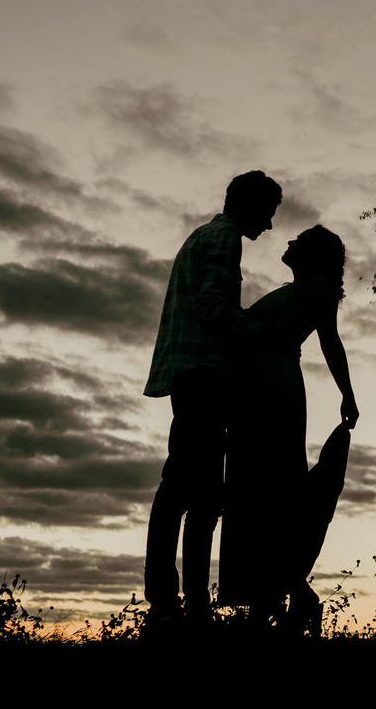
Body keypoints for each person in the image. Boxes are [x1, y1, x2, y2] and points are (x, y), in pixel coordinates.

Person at [143, 170, 282, 629]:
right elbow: (213, 306)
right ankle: (169, 603)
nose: (268, 224)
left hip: (193, 373)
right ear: (246, 202)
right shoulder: (224, 239)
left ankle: (191, 604)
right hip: (204, 375)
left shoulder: (200, 237)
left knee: (201, 495)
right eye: (266, 212)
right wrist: (263, 333)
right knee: (185, 490)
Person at [218, 224, 359, 631]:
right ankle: (270, 602)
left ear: (313, 256)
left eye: (300, 241)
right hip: (257, 392)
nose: (290, 242)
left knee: (270, 494)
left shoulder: (318, 287)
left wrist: (347, 393)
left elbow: (330, 340)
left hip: (273, 394)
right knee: (255, 496)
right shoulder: (295, 289)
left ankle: (290, 597)